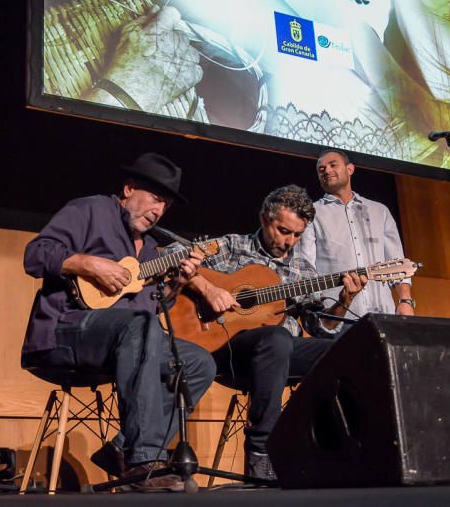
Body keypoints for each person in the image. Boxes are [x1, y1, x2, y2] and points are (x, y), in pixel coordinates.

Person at [21, 152, 217, 491]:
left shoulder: (154, 248)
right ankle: (143, 463)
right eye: (155, 199)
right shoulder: (90, 210)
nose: (158, 211)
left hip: (127, 340)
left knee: (199, 362)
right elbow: (35, 254)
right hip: (67, 329)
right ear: (128, 189)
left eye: (165, 206)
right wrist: (87, 264)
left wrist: (177, 284)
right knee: (140, 326)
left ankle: (122, 450)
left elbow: (150, 308)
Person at [185, 184, 367, 480]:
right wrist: (209, 288)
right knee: (277, 337)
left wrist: (345, 300)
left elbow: (320, 328)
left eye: (297, 235)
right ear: (264, 218)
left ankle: (333, 453)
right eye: (284, 231)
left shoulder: (302, 270)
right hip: (228, 350)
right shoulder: (233, 246)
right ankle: (262, 450)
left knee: (344, 349)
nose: (290, 242)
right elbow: (173, 255)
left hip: (280, 356)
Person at [294, 150, 415, 325]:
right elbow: (306, 267)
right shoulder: (311, 213)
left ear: (350, 169)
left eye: (333, 165)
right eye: (321, 169)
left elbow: (397, 262)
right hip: (338, 317)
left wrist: (405, 301)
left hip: (383, 315)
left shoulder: (379, 211)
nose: (327, 171)